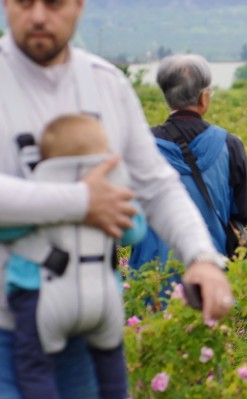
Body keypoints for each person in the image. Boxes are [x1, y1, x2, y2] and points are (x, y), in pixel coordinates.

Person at [0, 1, 232, 398]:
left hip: (90, 322)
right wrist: (82, 201)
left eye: (54, 3)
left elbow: (156, 186)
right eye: (24, 2)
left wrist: (201, 257)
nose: (38, 15)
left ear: (78, 5)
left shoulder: (106, 85)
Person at [2, 114, 146, 399]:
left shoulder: (37, 195)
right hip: (102, 297)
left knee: (35, 369)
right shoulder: (112, 198)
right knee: (110, 364)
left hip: (40, 298)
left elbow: (7, 231)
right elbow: (134, 233)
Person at [130, 54, 247, 273]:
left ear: (167, 97)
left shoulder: (142, 146)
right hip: (208, 273)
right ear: (203, 98)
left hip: (149, 278)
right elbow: (244, 209)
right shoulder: (229, 144)